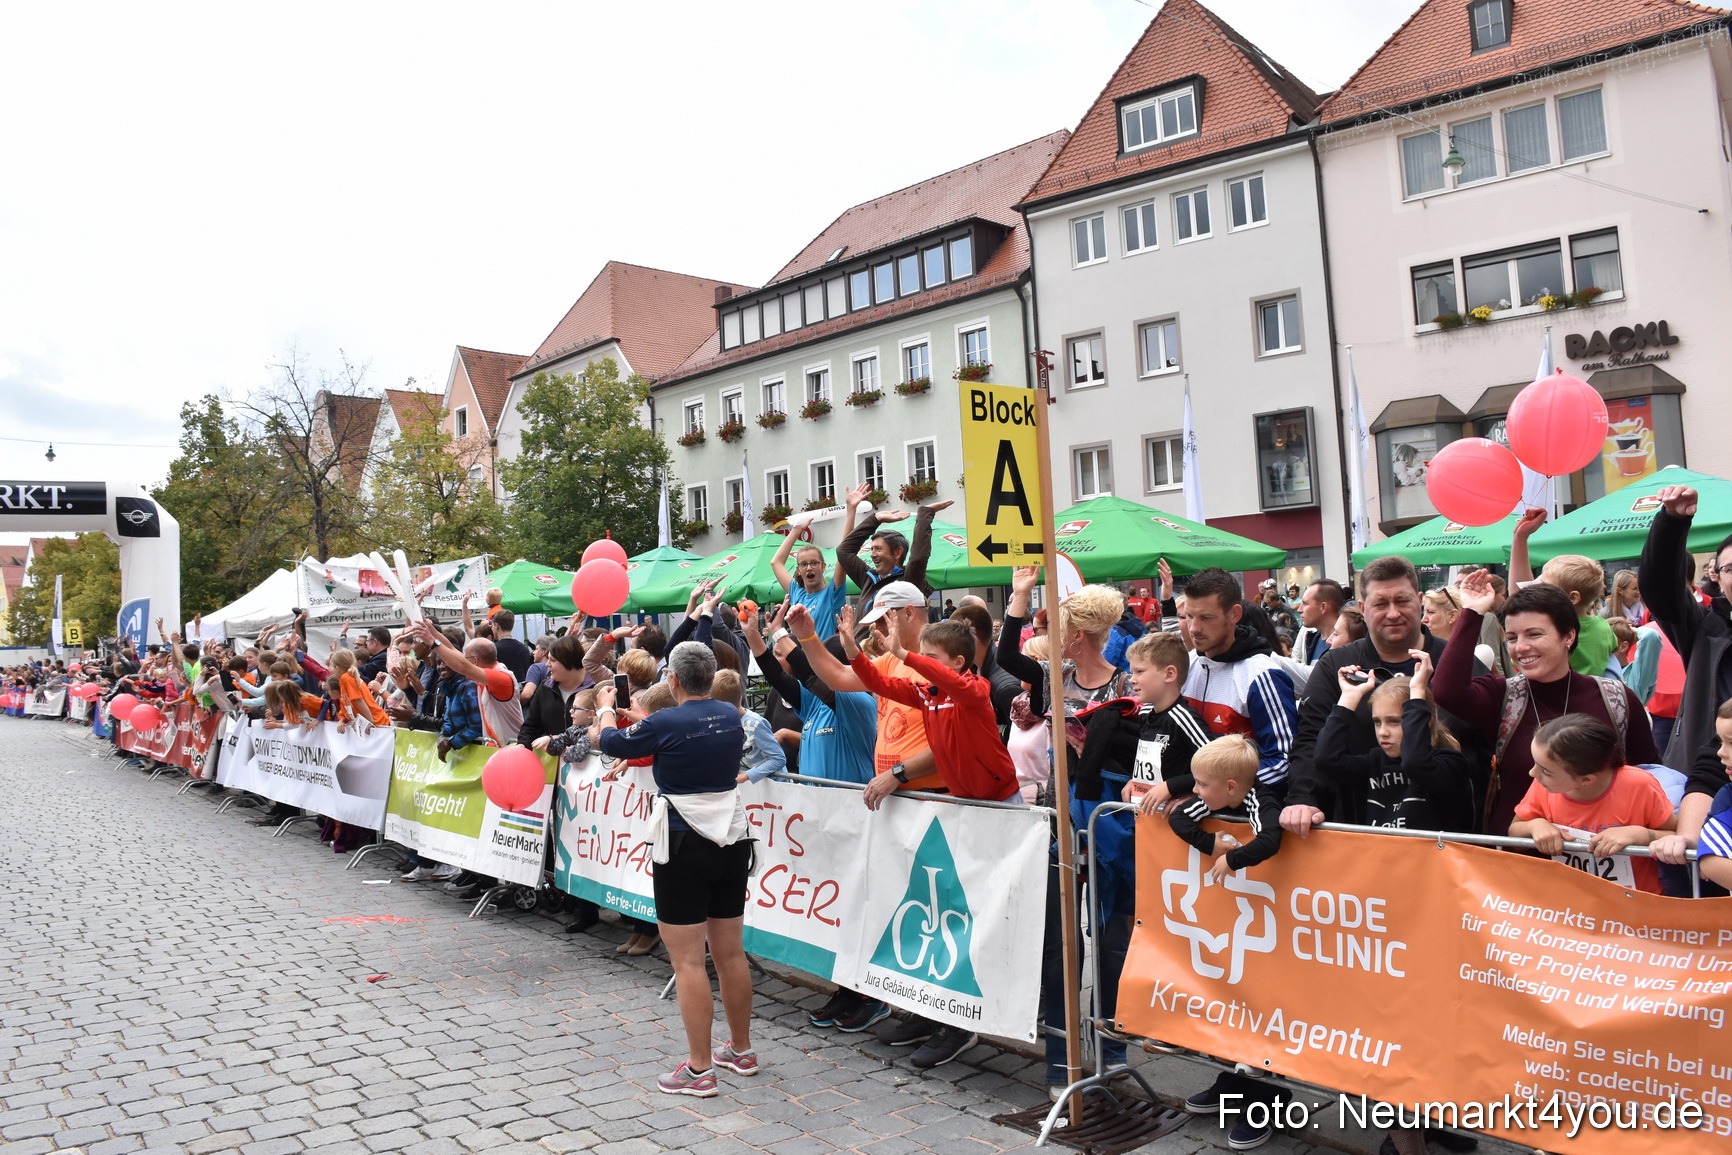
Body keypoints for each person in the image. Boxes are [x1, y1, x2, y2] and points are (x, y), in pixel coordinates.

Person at [593, 641, 755, 1098]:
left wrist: (606, 709)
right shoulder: (729, 713)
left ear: (675, 679)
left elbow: (607, 741)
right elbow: (670, 732)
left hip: (683, 840)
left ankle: (700, 1068)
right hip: (732, 837)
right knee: (730, 953)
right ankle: (740, 1049)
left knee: (687, 960)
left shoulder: (666, 720)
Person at [1433, 572, 1655, 835]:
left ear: (1568, 636)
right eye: (1513, 638)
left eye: (1534, 634)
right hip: (1521, 856)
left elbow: (1649, 773)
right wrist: (1471, 613)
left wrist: (1642, 833)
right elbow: (1446, 690)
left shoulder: (1615, 698)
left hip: (1602, 857)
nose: (1521, 647)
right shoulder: (1504, 695)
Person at [1283, 555, 1486, 838]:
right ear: (1363, 608)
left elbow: (1488, 745)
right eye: (1381, 604)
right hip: (1359, 831)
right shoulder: (1336, 666)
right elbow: (1309, 740)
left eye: (1402, 601)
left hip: (1450, 842)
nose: (1393, 613)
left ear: (1418, 601)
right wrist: (1302, 798)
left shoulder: (1460, 663)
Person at [1638, 484, 1732, 882]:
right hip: (1705, 791)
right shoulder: (1707, 630)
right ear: (1717, 578)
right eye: (1729, 568)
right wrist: (1672, 523)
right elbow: (1660, 590)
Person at [1510, 715, 1675, 894]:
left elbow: (1675, 836)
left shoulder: (1639, 785)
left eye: (1546, 771)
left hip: (1634, 904)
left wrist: (1640, 835)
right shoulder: (1545, 786)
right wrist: (1535, 826)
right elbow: (1514, 832)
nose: (1532, 773)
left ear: (1586, 779)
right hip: (1573, 905)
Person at [1316, 656, 1478, 830]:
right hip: (1383, 855)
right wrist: (1349, 697)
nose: (1383, 732)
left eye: (1394, 721)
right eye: (1377, 722)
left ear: (1425, 722)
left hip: (1432, 856)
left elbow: (1416, 764)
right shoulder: (1374, 762)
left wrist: (1417, 692)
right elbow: (1326, 758)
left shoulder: (1450, 762)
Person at [1178, 569, 1298, 792]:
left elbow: (1282, 762)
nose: (1194, 628)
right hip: (1183, 809)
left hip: (1241, 819)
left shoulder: (1261, 674)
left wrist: (1214, 795)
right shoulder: (1185, 664)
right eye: (1189, 616)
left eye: (1206, 617)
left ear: (1234, 614)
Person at [742, 605, 875, 785]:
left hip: (847, 806)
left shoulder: (860, 703)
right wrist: (752, 634)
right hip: (811, 805)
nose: (817, 668)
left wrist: (780, 633)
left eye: (823, 665)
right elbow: (777, 677)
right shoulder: (815, 701)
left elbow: (808, 673)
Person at [835, 482, 951, 620]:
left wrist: (925, 514)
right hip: (859, 642)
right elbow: (843, 551)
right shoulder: (868, 579)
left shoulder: (908, 580)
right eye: (872, 549)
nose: (872, 554)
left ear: (897, 552)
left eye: (878, 549)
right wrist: (876, 519)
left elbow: (918, 557)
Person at [771, 529, 847, 640]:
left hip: (823, 656)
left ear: (823, 566)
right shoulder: (797, 594)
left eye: (814, 563)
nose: (809, 567)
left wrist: (851, 513)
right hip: (800, 657)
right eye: (804, 564)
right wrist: (796, 530)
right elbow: (776, 562)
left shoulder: (831, 594)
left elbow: (844, 552)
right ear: (798, 570)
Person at [1692, 700, 1732, 889]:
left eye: (1731, 742)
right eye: (1720, 741)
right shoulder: (1727, 798)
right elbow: (1711, 861)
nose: (1720, 752)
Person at [1293, 580, 1345, 666]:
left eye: (1305, 604)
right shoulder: (1307, 633)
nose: (1299, 610)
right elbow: (1295, 663)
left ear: (1323, 607)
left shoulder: (1347, 640)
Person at [491, 610, 535, 681]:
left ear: (496, 626)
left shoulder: (493, 649)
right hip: (522, 690)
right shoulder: (524, 649)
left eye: (492, 625)